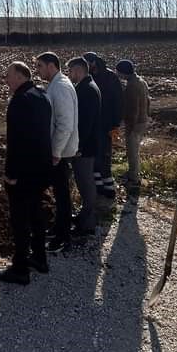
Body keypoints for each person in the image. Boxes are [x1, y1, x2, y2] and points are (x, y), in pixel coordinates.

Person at [0, 61, 53, 285]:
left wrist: (11, 173)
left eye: (8, 75)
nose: (6, 79)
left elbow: (17, 142)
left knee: (19, 220)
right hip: (41, 169)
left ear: (19, 76)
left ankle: (19, 268)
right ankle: (39, 257)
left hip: (24, 173)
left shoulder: (19, 101)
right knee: (36, 212)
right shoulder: (41, 95)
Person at [35, 52, 79, 252]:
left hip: (60, 152)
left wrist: (56, 151)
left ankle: (63, 237)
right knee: (60, 192)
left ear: (51, 66)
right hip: (60, 150)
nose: (38, 70)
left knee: (62, 194)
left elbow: (65, 124)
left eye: (40, 66)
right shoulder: (57, 84)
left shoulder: (60, 87)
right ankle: (59, 228)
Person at [66, 57, 101, 236]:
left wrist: (78, 146)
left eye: (71, 71)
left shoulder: (87, 90)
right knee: (84, 182)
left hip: (85, 148)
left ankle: (87, 223)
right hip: (86, 145)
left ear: (78, 70)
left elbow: (85, 123)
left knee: (85, 183)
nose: (70, 75)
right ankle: (85, 217)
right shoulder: (88, 86)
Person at [83, 52, 123, 198]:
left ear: (93, 62)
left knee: (104, 155)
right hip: (96, 123)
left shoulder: (109, 77)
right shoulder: (92, 77)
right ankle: (99, 186)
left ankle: (109, 188)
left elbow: (118, 102)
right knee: (95, 155)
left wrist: (115, 124)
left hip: (106, 124)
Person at [115, 59, 150, 196]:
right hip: (143, 120)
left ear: (123, 73)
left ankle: (134, 178)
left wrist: (129, 127)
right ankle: (132, 173)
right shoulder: (141, 81)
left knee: (132, 151)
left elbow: (133, 109)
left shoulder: (131, 86)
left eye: (119, 72)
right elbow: (148, 100)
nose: (118, 75)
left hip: (135, 123)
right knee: (135, 150)